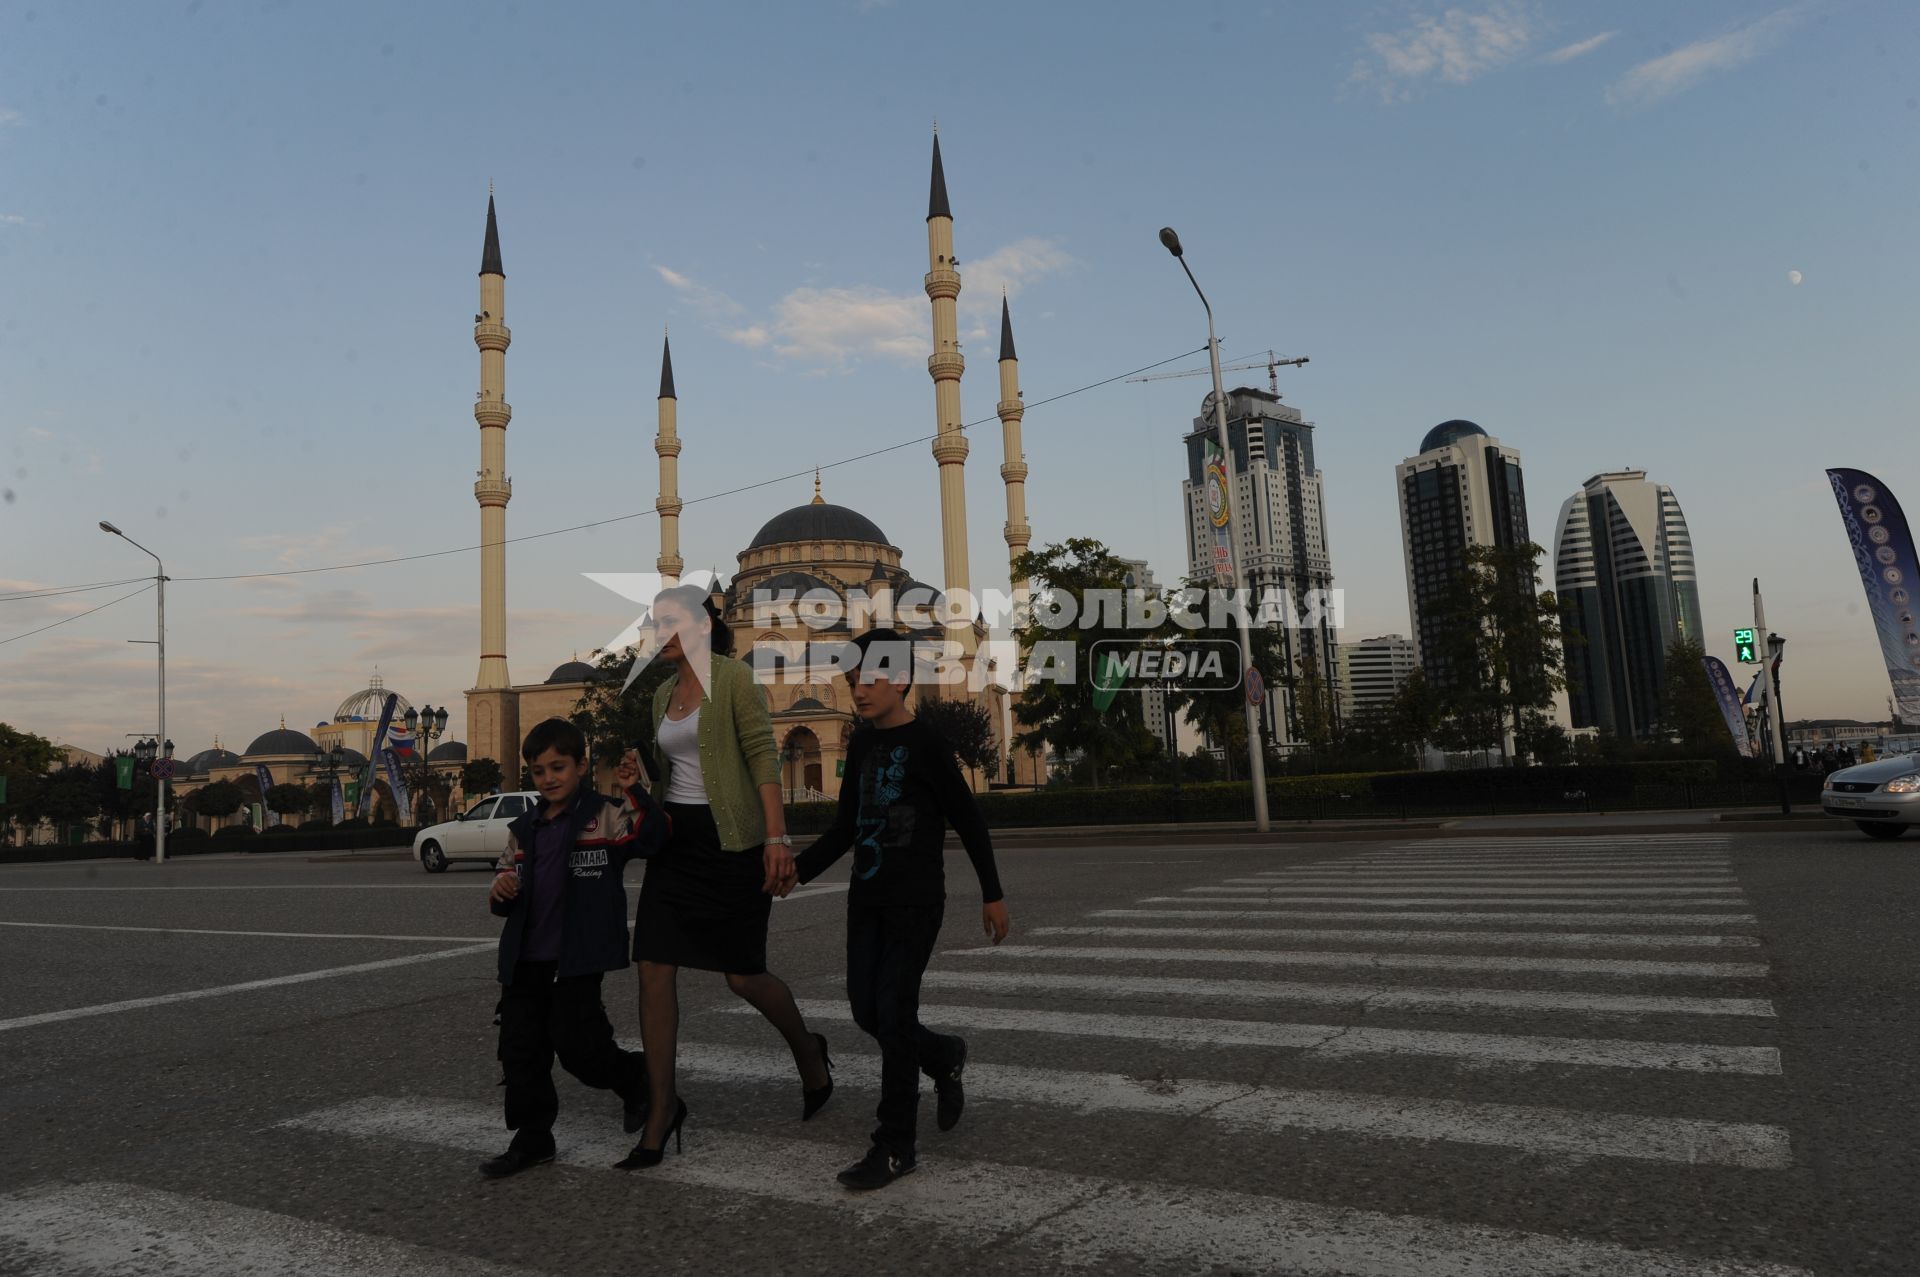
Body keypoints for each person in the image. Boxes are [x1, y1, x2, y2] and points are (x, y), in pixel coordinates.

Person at [621, 584, 832, 1170]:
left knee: (743, 978)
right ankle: (662, 1111)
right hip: (676, 848)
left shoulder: (734, 678)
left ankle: (810, 1054)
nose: (657, 633)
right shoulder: (661, 692)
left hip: (733, 842)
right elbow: (673, 775)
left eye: (668, 622)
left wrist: (776, 839)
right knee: (654, 970)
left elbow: (764, 756)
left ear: (701, 624)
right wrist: (638, 779)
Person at [791, 630, 1011, 1191]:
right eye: (852, 680)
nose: (859, 690)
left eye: (871, 679)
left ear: (903, 681)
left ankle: (895, 1146)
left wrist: (992, 892)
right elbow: (844, 827)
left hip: (915, 900)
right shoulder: (861, 745)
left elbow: (969, 819)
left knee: (892, 1017)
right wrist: (795, 872)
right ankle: (942, 1055)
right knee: (867, 1012)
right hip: (866, 898)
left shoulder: (928, 745)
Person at [480, 717, 668, 1179]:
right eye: (539, 771)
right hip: (525, 961)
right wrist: (500, 889)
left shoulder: (604, 815)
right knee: (520, 1052)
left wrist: (634, 789)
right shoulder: (524, 828)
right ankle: (533, 1138)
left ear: (582, 765)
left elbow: (654, 837)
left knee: (582, 1049)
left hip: (577, 958)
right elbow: (506, 877)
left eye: (558, 767)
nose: (549, 779)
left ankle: (639, 1081)